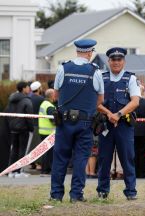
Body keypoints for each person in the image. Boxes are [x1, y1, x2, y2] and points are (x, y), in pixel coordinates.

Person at [50, 39, 104, 202]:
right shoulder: (95, 71)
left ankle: (56, 195)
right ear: (89, 52)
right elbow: (100, 100)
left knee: (60, 159)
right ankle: (76, 195)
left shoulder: (63, 68)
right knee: (81, 159)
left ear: (77, 51)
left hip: (65, 122)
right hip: (85, 123)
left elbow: (55, 95)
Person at [97, 47, 140, 200]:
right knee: (104, 159)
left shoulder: (131, 79)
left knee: (127, 158)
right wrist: (109, 114)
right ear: (108, 61)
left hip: (124, 126)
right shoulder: (101, 78)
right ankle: (102, 191)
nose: (116, 62)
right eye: (113, 60)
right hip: (106, 125)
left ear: (124, 61)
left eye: (119, 59)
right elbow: (97, 103)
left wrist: (119, 114)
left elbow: (135, 102)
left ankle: (131, 191)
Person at [6, 81, 34, 178]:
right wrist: (31, 128)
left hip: (13, 127)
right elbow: (29, 116)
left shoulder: (11, 99)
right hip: (23, 128)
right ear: (23, 88)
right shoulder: (26, 100)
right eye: (27, 87)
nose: (29, 89)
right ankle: (19, 171)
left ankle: (11, 171)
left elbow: (7, 112)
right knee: (22, 149)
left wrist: (11, 123)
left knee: (14, 149)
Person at [38, 89, 57, 176]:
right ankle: (47, 170)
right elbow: (53, 120)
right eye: (55, 94)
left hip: (43, 131)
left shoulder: (44, 104)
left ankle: (44, 169)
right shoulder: (49, 106)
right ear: (52, 95)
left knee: (45, 152)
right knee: (49, 153)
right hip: (48, 132)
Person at [29, 81, 45, 170]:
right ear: (38, 89)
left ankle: (32, 163)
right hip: (38, 124)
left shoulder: (29, 98)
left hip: (29, 124)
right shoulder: (41, 99)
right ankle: (39, 163)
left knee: (31, 145)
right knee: (38, 145)